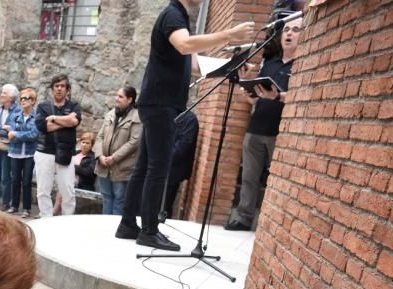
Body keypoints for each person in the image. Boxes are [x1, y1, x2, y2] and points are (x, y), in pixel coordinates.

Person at [116, 1, 254, 250]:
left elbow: (192, 65)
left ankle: (127, 224)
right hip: (161, 103)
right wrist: (229, 35)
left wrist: (230, 66)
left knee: (145, 165)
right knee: (158, 167)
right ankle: (148, 231)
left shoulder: (180, 19)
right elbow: (185, 44)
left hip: (157, 102)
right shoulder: (173, 15)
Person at [226, 17, 302, 231]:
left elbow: (299, 96)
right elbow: (259, 97)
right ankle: (243, 218)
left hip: (280, 133)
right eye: (286, 29)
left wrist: (278, 97)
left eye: (296, 30)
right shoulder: (270, 63)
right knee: (249, 177)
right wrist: (249, 91)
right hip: (255, 128)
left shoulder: (303, 66)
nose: (289, 34)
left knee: (276, 181)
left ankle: (270, 225)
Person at [34, 74, 81, 217]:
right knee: (43, 191)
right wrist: (66, 121)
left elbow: (74, 122)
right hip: (45, 152)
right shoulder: (43, 106)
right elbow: (44, 127)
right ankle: (46, 220)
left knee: (68, 191)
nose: (59, 89)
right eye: (56, 86)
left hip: (66, 153)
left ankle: (67, 221)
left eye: (62, 86)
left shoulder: (74, 105)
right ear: (52, 89)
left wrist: (54, 119)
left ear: (67, 90)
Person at [94, 85, 141, 215]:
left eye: (120, 96)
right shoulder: (110, 114)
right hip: (104, 166)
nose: (116, 99)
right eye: (117, 95)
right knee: (106, 197)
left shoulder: (137, 117)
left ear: (130, 99)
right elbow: (100, 137)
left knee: (119, 200)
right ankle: (105, 227)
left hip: (121, 168)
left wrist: (114, 158)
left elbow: (134, 142)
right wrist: (100, 156)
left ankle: (115, 230)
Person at [6, 87, 39, 218]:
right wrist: (16, 134)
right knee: (15, 179)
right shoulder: (15, 115)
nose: (23, 101)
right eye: (22, 98)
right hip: (15, 151)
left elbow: (34, 134)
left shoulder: (37, 117)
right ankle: (14, 205)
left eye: (27, 98)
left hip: (29, 153)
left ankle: (26, 208)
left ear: (33, 101)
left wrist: (17, 134)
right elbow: (10, 132)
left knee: (26, 181)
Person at [161, 109, 198, 221]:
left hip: (172, 171)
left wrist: (162, 159)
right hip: (157, 168)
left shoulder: (189, 118)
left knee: (164, 205)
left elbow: (183, 146)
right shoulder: (165, 113)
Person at [0, 83, 18, 208]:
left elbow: (12, 128)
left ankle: (5, 202)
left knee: (6, 175)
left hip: (7, 145)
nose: (1, 95)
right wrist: (2, 128)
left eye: (4, 93)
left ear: (11, 97)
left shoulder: (17, 110)